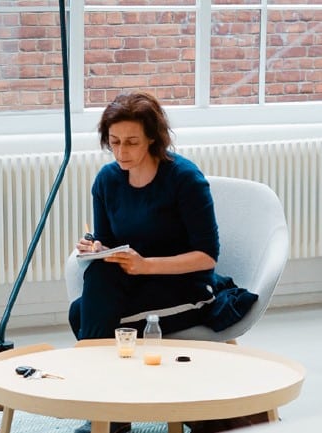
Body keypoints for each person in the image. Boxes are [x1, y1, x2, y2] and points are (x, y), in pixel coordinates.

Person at [69, 91, 226, 342]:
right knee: (82, 305)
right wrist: (97, 248)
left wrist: (145, 265)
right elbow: (108, 243)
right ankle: (101, 362)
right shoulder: (107, 180)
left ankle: (94, 364)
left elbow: (207, 256)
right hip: (138, 281)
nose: (121, 152)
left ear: (152, 138)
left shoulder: (184, 179)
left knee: (87, 318)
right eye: (115, 142)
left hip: (186, 287)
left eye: (132, 142)